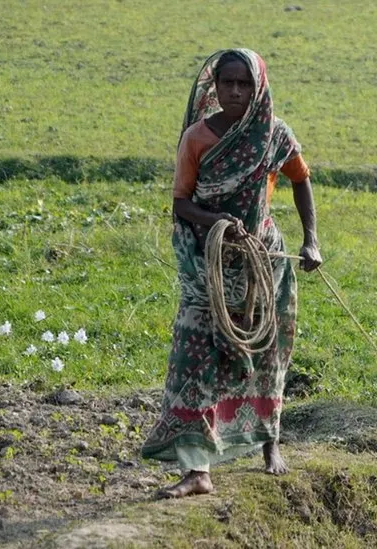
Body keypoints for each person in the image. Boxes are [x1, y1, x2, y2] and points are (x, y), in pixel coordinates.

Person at [141, 48, 322, 498]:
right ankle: (196, 469)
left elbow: (300, 179)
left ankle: (269, 444)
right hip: (210, 268)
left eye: (244, 84)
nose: (235, 92)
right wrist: (216, 223)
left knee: (267, 352)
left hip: (265, 264)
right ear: (214, 87)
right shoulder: (197, 138)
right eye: (227, 84)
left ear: (258, 87)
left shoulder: (275, 135)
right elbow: (182, 202)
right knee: (193, 357)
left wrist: (310, 239)